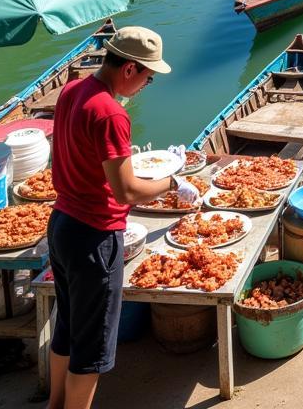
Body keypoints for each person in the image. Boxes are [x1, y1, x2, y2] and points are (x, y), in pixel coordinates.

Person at [47, 26, 198, 409]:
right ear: (129, 68)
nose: (148, 84)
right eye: (147, 77)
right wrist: (173, 182)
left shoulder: (73, 90)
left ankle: (53, 404)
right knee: (92, 347)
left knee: (66, 328)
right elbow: (127, 191)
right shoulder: (111, 113)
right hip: (93, 238)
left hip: (61, 225)